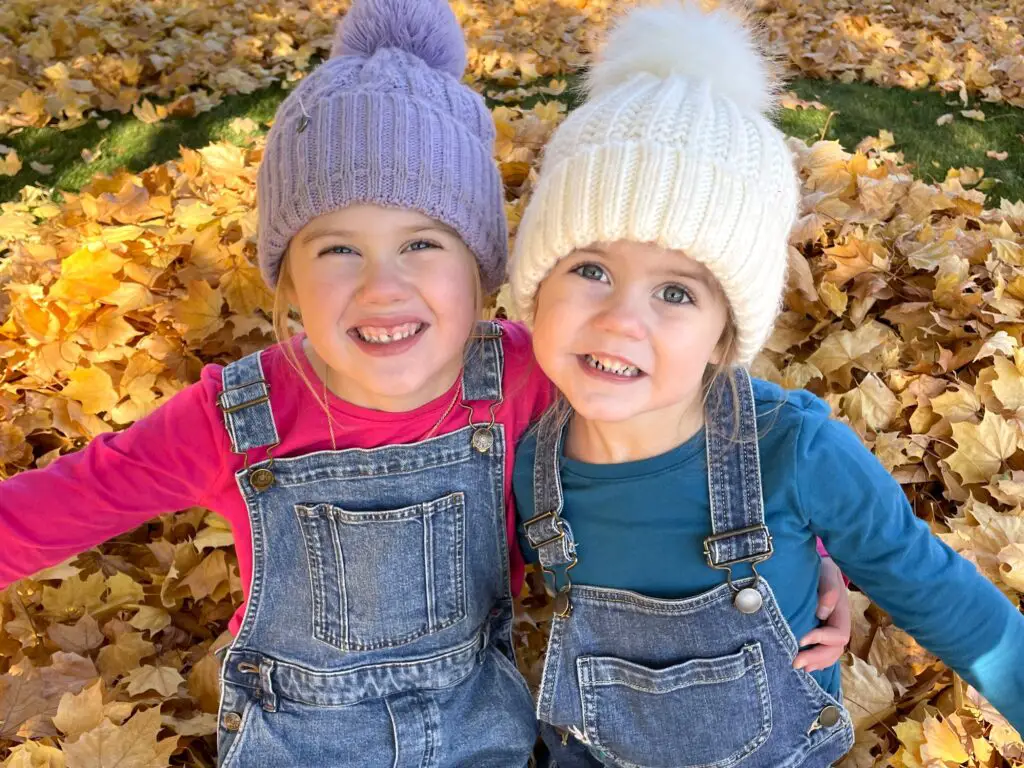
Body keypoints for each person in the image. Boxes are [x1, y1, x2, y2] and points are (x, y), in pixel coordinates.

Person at [507, 2, 1024, 766]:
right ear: (534, 285)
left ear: (725, 331)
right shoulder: (525, 457)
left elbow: (937, 591)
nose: (621, 320)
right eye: (591, 269)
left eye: (676, 293)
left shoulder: (798, 452)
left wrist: (811, 547)